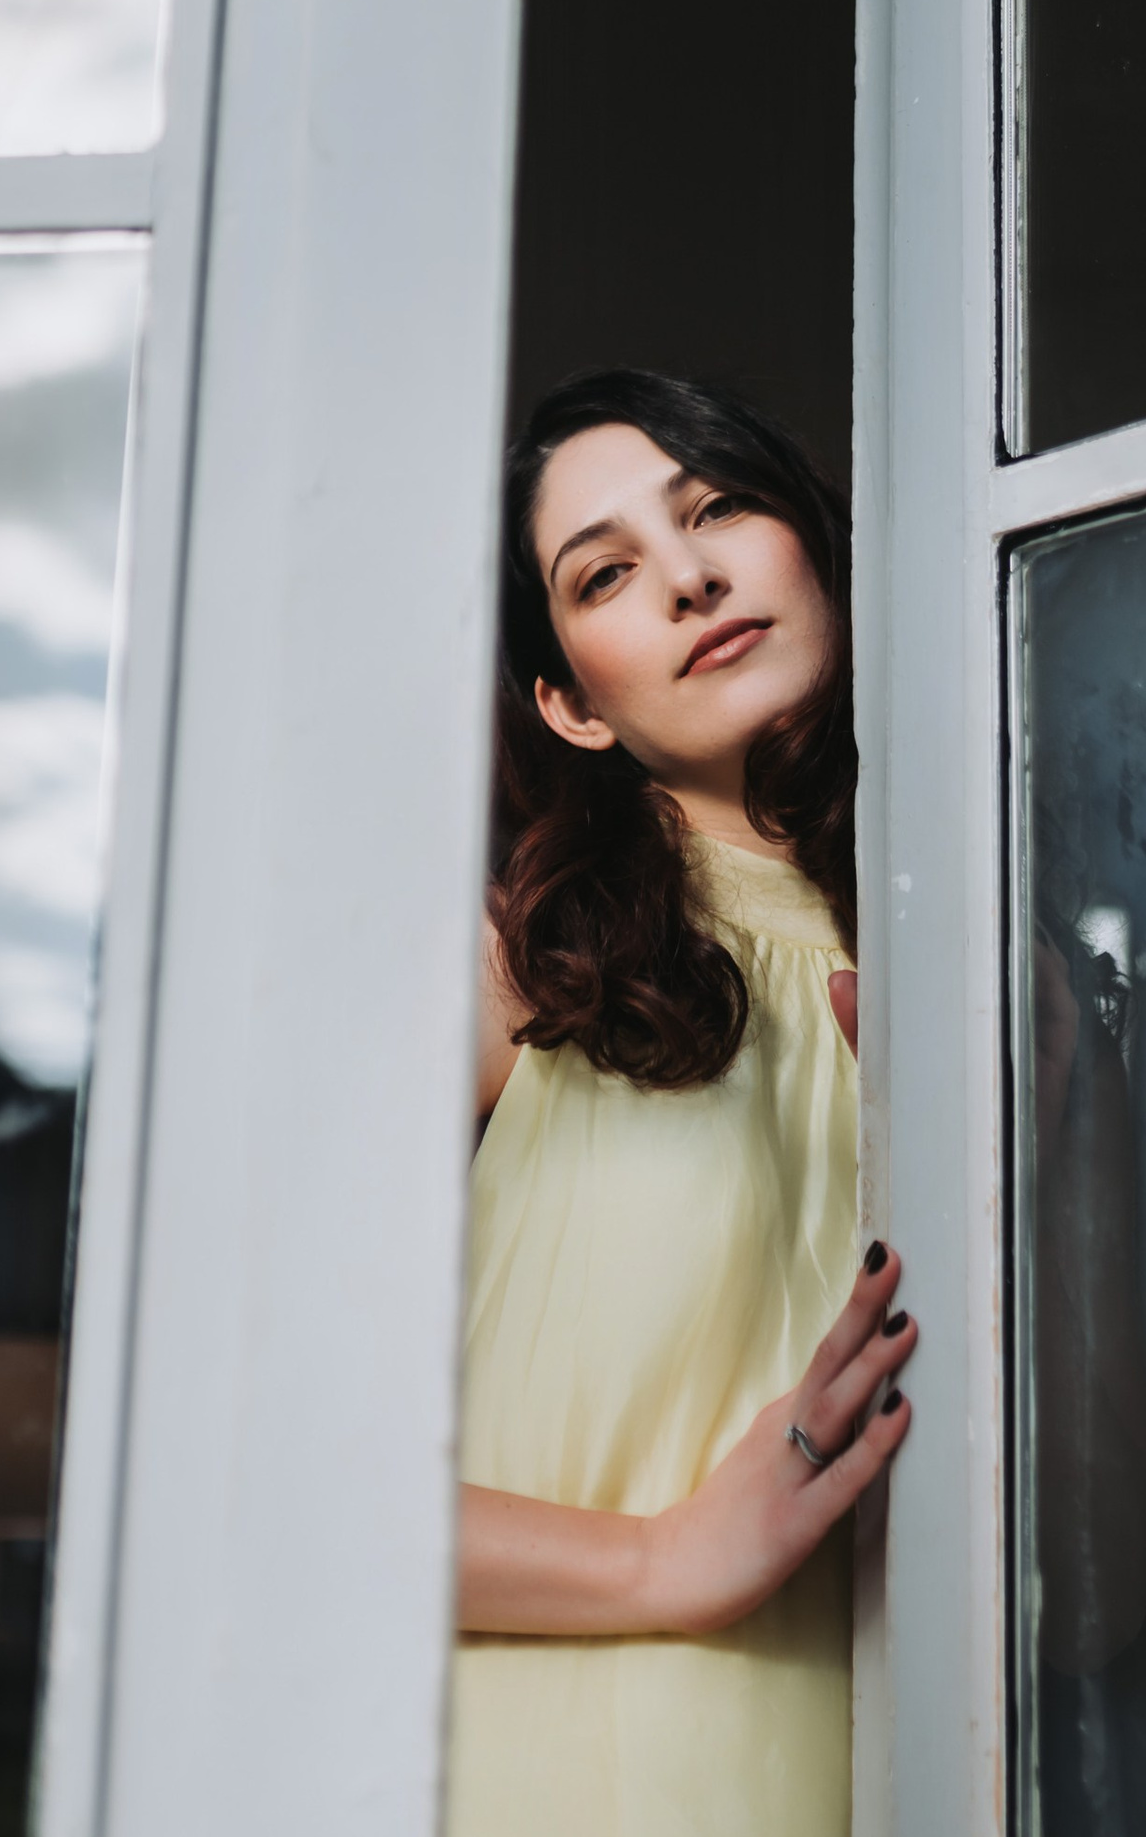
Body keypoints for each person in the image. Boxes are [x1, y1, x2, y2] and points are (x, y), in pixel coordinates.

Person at [449, 371, 913, 1837]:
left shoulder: (992, 980)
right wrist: (660, 1562)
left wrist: (1070, 1128)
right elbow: (255, 1476)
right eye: (606, 572)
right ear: (569, 702)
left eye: (718, 506)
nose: (692, 574)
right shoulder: (505, 977)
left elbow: (1117, 1579)